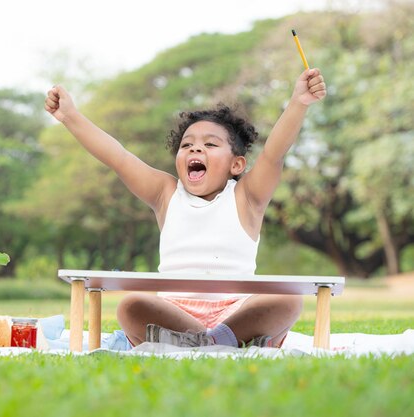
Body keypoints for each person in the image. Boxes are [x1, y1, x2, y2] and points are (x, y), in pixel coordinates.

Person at [45, 67, 327, 348]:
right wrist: (71, 117)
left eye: (210, 144)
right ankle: (216, 342)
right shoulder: (165, 193)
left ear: (236, 164)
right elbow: (118, 157)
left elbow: (273, 153)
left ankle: (208, 340)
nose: (195, 149)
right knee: (130, 305)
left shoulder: (247, 196)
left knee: (287, 299)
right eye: (187, 144)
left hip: (237, 311)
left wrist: (298, 102)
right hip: (175, 311)